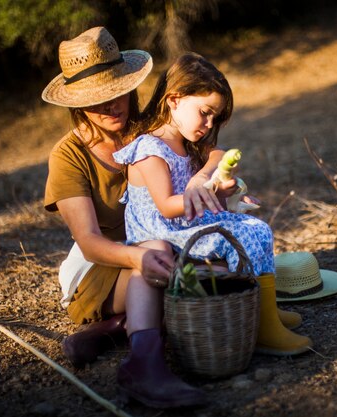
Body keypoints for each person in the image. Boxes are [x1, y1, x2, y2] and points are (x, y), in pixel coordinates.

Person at [41, 27, 230, 409]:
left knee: (206, 261)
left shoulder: (145, 128)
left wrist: (202, 177)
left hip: (154, 246)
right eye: (98, 101)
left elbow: (212, 149)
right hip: (103, 265)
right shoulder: (68, 156)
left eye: (119, 92)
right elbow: (91, 242)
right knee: (163, 255)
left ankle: (117, 329)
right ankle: (143, 367)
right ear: (76, 105)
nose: (113, 106)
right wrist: (139, 257)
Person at [113, 52, 313, 357]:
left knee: (255, 229)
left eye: (214, 118)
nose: (208, 124)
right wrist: (209, 195)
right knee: (246, 235)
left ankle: (264, 310)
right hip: (162, 233)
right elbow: (167, 206)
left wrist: (207, 181)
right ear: (174, 100)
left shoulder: (187, 140)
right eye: (205, 112)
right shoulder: (150, 148)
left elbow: (220, 154)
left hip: (184, 225)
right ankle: (262, 325)